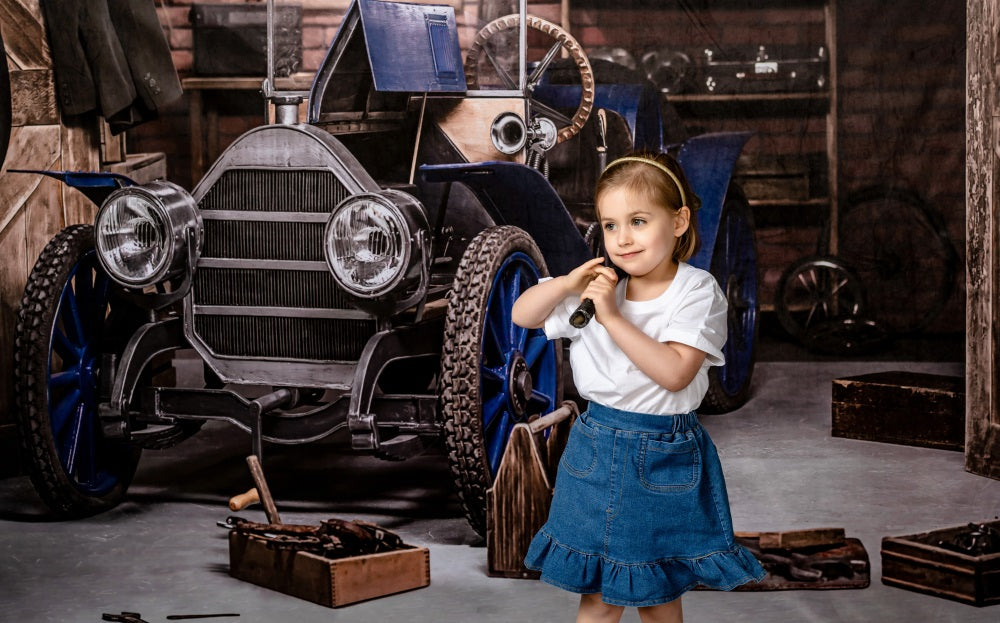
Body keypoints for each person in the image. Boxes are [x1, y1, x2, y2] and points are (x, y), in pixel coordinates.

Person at [512, 153, 766, 623]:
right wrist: (567, 283)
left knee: (658, 591)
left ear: (678, 221)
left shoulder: (696, 292)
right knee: (599, 598)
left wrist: (610, 316)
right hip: (594, 448)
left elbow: (674, 373)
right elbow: (522, 314)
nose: (622, 239)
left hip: (662, 456)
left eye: (638, 221)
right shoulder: (599, 290)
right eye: (610, 226)